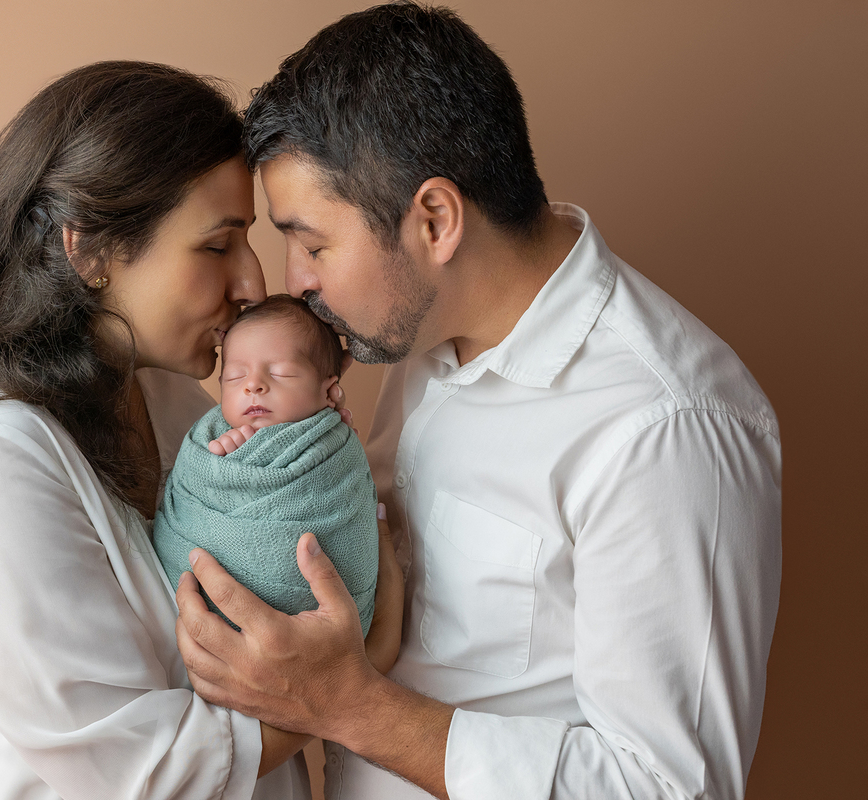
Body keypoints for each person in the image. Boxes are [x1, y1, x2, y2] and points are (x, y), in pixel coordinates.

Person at [174, 4, 782, 800]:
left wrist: (348, 707)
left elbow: (669, 789)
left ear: (434, 220)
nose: (295, 282)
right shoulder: (421, 334)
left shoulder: (668, 428)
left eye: (314, 242)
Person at [0, 61, 401, 800]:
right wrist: (362, 671)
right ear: (88, 250)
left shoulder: (169, 399)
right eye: (218, 244)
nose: (256, 283)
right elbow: (134, 771)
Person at [154, 294, 379, 637]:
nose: (253, 384)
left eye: (281, 372)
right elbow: (205, 480)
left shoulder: (334, 442)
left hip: (318, 618)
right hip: (206, 598)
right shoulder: (216, 436)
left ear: (330, 392)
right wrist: (228, 462)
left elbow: (345, 495)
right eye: (234, 376)